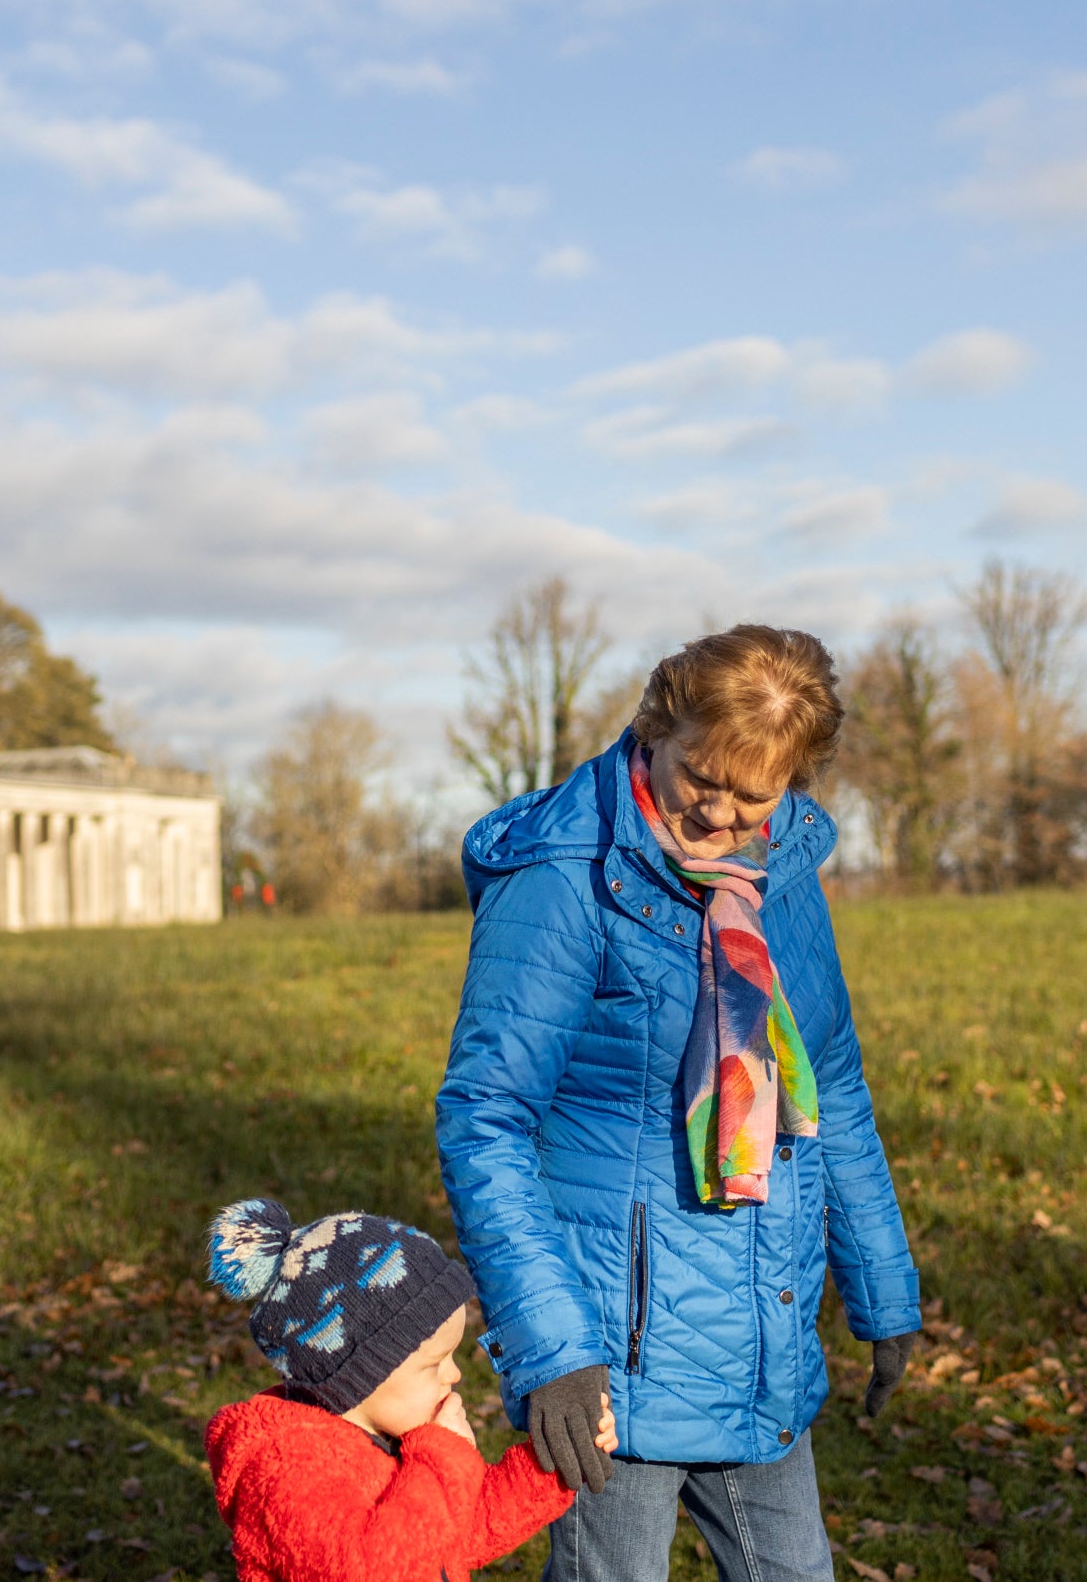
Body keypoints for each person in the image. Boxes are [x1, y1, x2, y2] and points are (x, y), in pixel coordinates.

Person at [437, 625, 921, 1582]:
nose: (722, 815)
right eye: (704, 776)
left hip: (761, 1331)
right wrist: (551, 1352)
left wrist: (883, 1287)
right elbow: (486, 1116)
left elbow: (834, 1089)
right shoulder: (565, 876)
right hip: (612, 1358)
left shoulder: (781, 875)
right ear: (658, 725)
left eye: (757, 794)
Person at [202, 1198, 615, 1582]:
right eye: (434, 1363)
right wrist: (441, 1456)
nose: (454, 1376)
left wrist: (554, 1464)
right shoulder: (288, 1470)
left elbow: (460, 1527)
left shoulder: (388, 1437)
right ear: (360, 1376)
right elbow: (371, 1568)